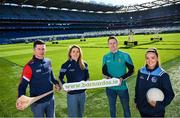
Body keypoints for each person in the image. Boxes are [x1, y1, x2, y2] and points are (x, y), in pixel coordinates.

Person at [16, 40, 60, 117]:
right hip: (37, 103)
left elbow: (52, 77)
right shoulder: (29, 66)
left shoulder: (48, 61)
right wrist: (20, 99)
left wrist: (56, 83)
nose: (41, 51)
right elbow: (22, 86)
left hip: (50, 99)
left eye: (43, 49)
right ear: (34, 50)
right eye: (38, 49)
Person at [134, 47, 175, 117]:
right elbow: (137, 88)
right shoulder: (141, 71)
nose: (150, 60)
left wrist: (158, 105)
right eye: (147, 58)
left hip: (156, 113)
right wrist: (136, 101)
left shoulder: (162, 75)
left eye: (153, 58)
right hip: (142, 110)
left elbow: (170, 94)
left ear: (157, 58)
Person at [102, 36, 134, 117]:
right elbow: (104, 71)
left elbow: (131, 70)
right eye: (110, 43)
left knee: (126, 108)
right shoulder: (105, 57)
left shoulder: (125, 55)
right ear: (108, 45)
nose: (112, 45)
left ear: (117, 44)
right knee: (112, 109)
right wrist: (109, 78)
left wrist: (122, 78)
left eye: (114, 43)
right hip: (110, 88)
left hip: (122, 88)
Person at [59, 45, 89, 117]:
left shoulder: (84, 64)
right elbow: (60, 78)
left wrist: (87, 82)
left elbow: (87, 77)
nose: (76, 53)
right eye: (73, 51)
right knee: (73, 115)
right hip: (72, 94)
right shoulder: (65, 65)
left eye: (77, 52)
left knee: (80, 114)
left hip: (82, 93)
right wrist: (65, 86)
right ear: (70, 53)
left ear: (80, 53)